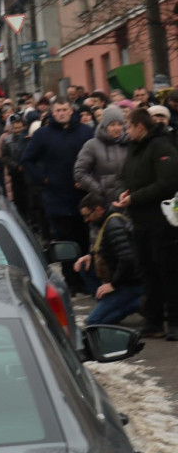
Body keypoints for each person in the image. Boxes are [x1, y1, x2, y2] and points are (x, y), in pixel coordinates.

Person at [113, 107, 178, 340]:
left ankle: (174, 322)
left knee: (167, 271)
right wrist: (123, 192)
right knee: (147, 271)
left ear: (140, 126)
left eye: (128, 126)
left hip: (161, 222)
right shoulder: (134, 147)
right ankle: (153, 321)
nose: (125, 130)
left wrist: (135, 197)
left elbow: (168, 182)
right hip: (139, 221)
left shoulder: (161, 145)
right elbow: (123, 176)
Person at [21, 100, 94, 293]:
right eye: (58, 110)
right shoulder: (43, 135)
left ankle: (86, 280)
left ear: (71, 111)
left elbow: (96, 157)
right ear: (52, 113)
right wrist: (43, 179)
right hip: (56, 197)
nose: (62, 113)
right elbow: (27, 160)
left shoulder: (85, 132)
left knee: (84, 240)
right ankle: (70, 282)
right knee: (65, 242)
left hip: (82, 197)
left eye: (65, 109)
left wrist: (88, 179)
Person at [75, 193, 143, 326]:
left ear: (99, 209)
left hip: (130, 283)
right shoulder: (106, 222)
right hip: (124, 278)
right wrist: (91, 255)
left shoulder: (113, 225)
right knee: (85, 267)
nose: (86, 220)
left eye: (87, 215)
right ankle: (111, 304)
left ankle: (136, 304)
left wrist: (113, 285)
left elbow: (127, 258)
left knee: (94, 322)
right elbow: (109, 246)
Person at [74, 104, 129, 204]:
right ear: (104, 126)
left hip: (127, 199)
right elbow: (80, 172)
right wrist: (98, 190)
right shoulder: (92, 145)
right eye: (112, 125)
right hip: (103, 202)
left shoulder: (130, 143)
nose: (117, 128)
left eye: (119, 124)